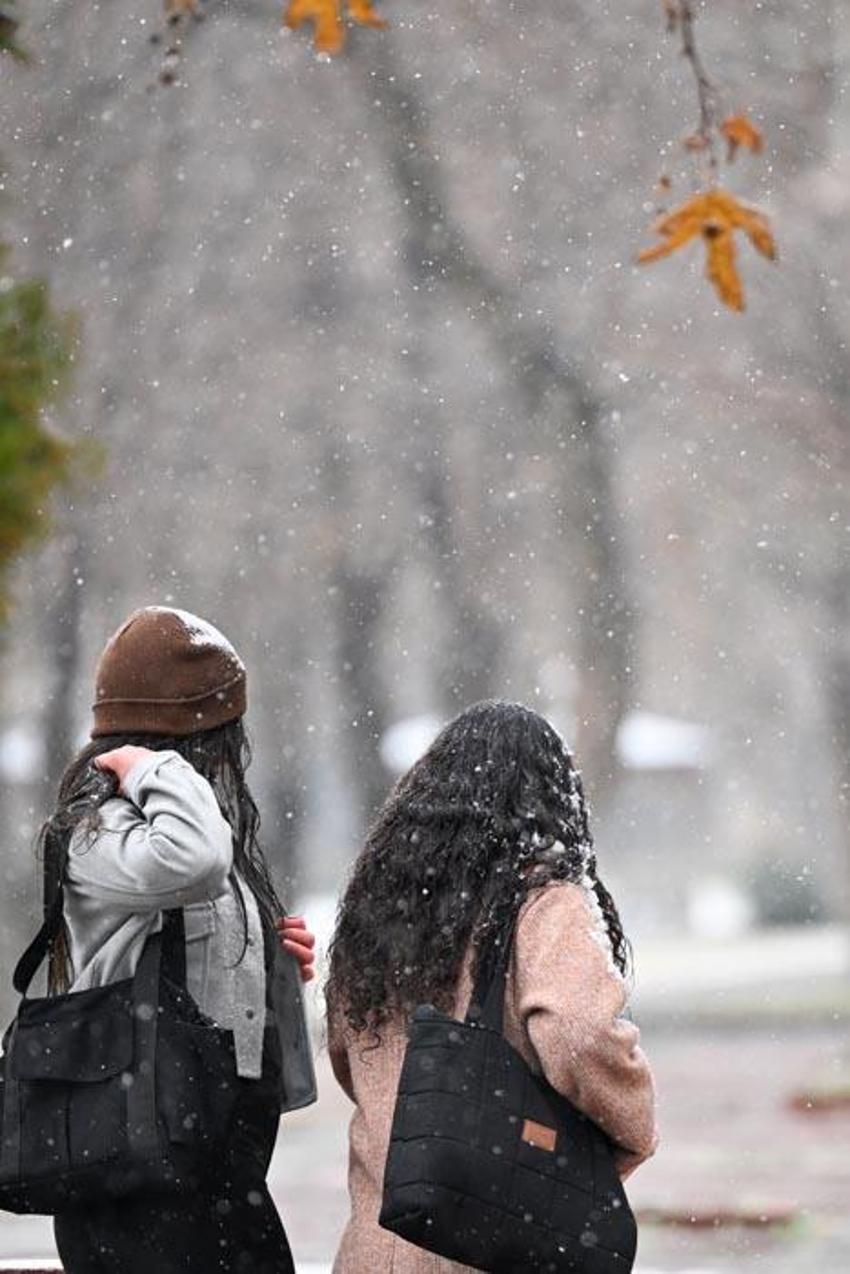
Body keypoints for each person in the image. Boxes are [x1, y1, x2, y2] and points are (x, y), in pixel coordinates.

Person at [326, 700, 659, 1274]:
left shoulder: (377, 911)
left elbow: (347, 1052)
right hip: (493, 1238)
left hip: (379, 1245)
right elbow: (580, 1033)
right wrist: (632, 1123)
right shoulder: (541, 904)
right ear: (555, 803)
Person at [40, 605, 316, 1274]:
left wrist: (268, 963)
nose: (227, 757)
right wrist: (144, 765)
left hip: (210, 1162)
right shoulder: (101, 830)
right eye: (217, 736)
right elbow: (193, 862)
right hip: (138, 1171)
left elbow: (198, 938)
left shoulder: (180, 823)